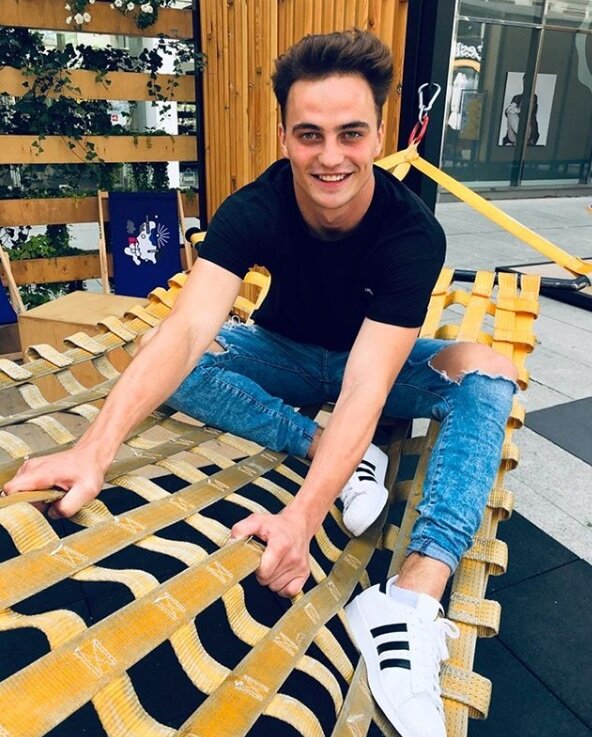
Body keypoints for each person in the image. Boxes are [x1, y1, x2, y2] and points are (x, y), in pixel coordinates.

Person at [3, 30, 518, 737]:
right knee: (166, 351)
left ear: (378, 135)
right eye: (309, 135)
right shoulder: (255, 207)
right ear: (284, 136)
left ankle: (410, 599)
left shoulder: (412, 231)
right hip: (285, 352)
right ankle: (329, 447)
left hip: (371, 358)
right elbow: (187, 329)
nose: (330, 156)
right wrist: (94, 450)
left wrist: (302, 518)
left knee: (489, 372)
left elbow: (367, 385)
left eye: (350, 133)